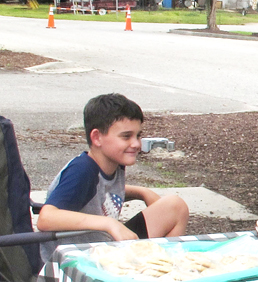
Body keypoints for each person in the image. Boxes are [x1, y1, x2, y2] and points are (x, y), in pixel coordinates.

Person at [37, 93, 189, 261]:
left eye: (138, 135)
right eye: (126, 136)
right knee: (174, 206)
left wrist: (141, 192)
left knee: (175, 207)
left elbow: (102, 190)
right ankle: (163, 268)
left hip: (105, 248)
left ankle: (167, 265)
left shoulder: (114, 163)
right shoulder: (83, 170)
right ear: (97, 138)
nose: (136, 144)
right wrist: (109, 224)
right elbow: (46, 218)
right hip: (78, 261)